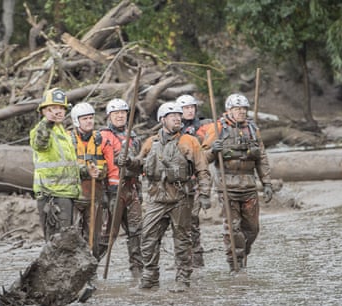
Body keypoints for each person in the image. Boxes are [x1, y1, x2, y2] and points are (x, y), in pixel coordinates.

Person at [119, 102, 211, 292]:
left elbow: (202, 169)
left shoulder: (189, 141)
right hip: (157, 197)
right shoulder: (151, 142)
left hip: (181, 197)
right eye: (172, 116)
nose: (178, 118)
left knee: (182, 240)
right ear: (162, 120)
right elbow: (139, 164)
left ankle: (183, 280)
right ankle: (150, 278)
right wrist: (127, 161)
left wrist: (204, 194)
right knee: (148, 237)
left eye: (179, 115)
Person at [203, 93, 280, 273]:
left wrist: (267, 183)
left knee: (253, 229)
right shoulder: (217, 128)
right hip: (226, 186)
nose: (241, 112)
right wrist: (213, 151)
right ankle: (236, 264)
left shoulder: (253, 129)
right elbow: (202, 157)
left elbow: (262, 158)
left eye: (244, 109)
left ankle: (243, 251)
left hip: (249, 185)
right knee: (233, 227)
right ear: (228, 110)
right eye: (237, 109)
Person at [29, 88, 82, 241]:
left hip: (67, 194)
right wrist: (48, 121)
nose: (57, 112)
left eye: (60, 108)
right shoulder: (41, 130)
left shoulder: (64, 134)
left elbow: (68, 166)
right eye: (52, 109)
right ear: (43, 111)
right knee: (57, 243)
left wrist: (85, 171)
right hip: (52, 196)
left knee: (66, 241)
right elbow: (40, 142)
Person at [99, 98, 144, 278]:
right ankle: (91, 268)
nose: (120, 116)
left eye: (123, 113)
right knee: (108, 234)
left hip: (131, 190)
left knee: (136, 232)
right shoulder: (101, 136)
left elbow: (141, 164)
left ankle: (137, 270)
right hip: (112, 191)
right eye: (116, 113)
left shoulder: (134, 138)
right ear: (109, 116)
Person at [175, 94, 214, 267]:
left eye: (192, 107)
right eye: (185, 108)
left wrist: (213, 151)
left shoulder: (205, 127)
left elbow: (206, 156)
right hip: (178, 180)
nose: (189, 111)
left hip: (197, 177)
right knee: (179, 221)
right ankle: (183, 257)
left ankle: (197, 258)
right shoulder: (174, 129)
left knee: (193, 219)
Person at [69, 102, 108, 260]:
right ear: (77, 121)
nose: (89, 121)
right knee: (72, 234)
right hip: (74, 195)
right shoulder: (68, 141)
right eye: (85, 118)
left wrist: (101, 173)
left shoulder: (100, 139)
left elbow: (108, 164)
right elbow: (65, 168)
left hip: (94, 196)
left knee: (94, 236)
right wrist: (85, 171)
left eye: (91, 118)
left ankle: (91, 270)